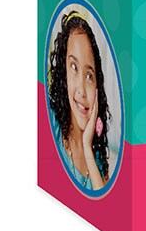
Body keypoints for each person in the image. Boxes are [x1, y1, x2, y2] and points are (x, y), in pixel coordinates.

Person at [47, 11, 111, 191]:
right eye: (73, 67)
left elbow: (106, 203)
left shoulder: (98, 159)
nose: (82, 90)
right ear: (64, 75)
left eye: (89, 76)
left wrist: (87, 147)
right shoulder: (49, 123)